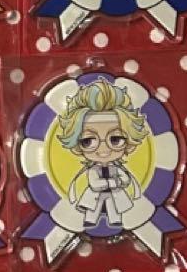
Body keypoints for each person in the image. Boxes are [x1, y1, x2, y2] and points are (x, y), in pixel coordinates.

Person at [56, 78, 148, 229]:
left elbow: (126, 179)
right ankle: (90, 221)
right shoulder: (92, 170)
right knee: (93, 208)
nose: (104, 150)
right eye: (88, 141)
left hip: (114, 194)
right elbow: (94, 184)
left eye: (115, 140)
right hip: (96, 194)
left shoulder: (117, 169)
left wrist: (121, 181)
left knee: (114, 207)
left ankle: (116, 221)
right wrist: (113, 183)